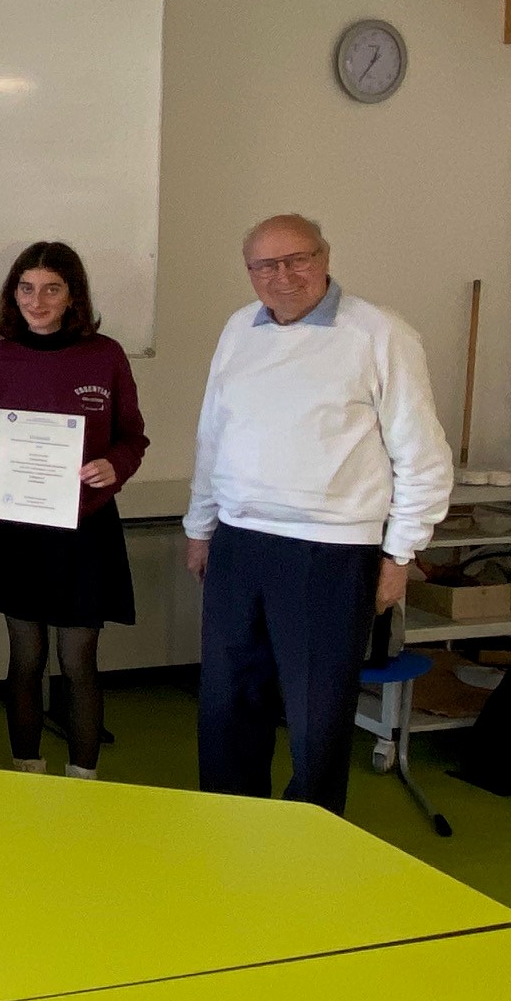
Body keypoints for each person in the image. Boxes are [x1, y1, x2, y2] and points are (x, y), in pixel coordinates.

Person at [185, 214, 452, 814]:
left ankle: (314, 836)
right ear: (249, 272)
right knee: (228, 704)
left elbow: (422, 454)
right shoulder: (239, 329)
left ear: (326, 257)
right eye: (265, 265)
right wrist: (200, 527)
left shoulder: (379, 332)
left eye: (298, 259)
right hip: (238, 539)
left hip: (328, 549)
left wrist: (400, 552)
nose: (283, 276)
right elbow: (213, 435)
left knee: (318, 713)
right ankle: (228, 821)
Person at [0, 242, 147, 780]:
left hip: (84, 529)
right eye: (26, 288)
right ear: (12, 294)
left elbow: (132, 438)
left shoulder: (105, 355)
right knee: (25, 656)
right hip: (17, 525)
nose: (37, 300)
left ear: (72, 297)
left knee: (78, 661)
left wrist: (115, 465)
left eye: (51, 289)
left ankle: (83, 780)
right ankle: (28, 770)